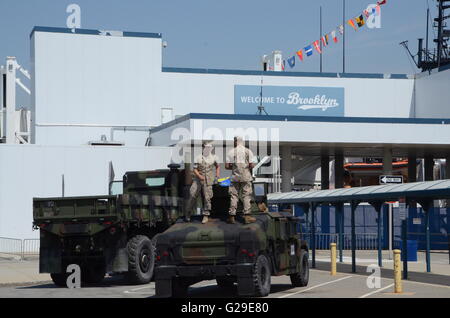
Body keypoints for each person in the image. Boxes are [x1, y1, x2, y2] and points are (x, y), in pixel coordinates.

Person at [225, 136, 257, 224]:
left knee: (234, 196)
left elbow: (227, 166)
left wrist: (235, 167)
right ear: (242, 142)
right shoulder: (248, 151)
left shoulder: (231, 152)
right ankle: (247, 217)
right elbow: (252, 165)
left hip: (235, 177)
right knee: (246, 196)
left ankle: (232, 216)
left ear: (235, 142)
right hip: (246, 176)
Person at [188, 142, 220, 224]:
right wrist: (199, 175)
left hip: (208, 179)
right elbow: (194, 169)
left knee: (207, 197)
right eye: (206, 147)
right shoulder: (198, 157)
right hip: (198, 179)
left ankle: (206, 215)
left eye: (209, 147)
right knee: (192, 195)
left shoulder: (214, 157)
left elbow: (218, 166)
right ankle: (188, 213)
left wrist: (217, 175)